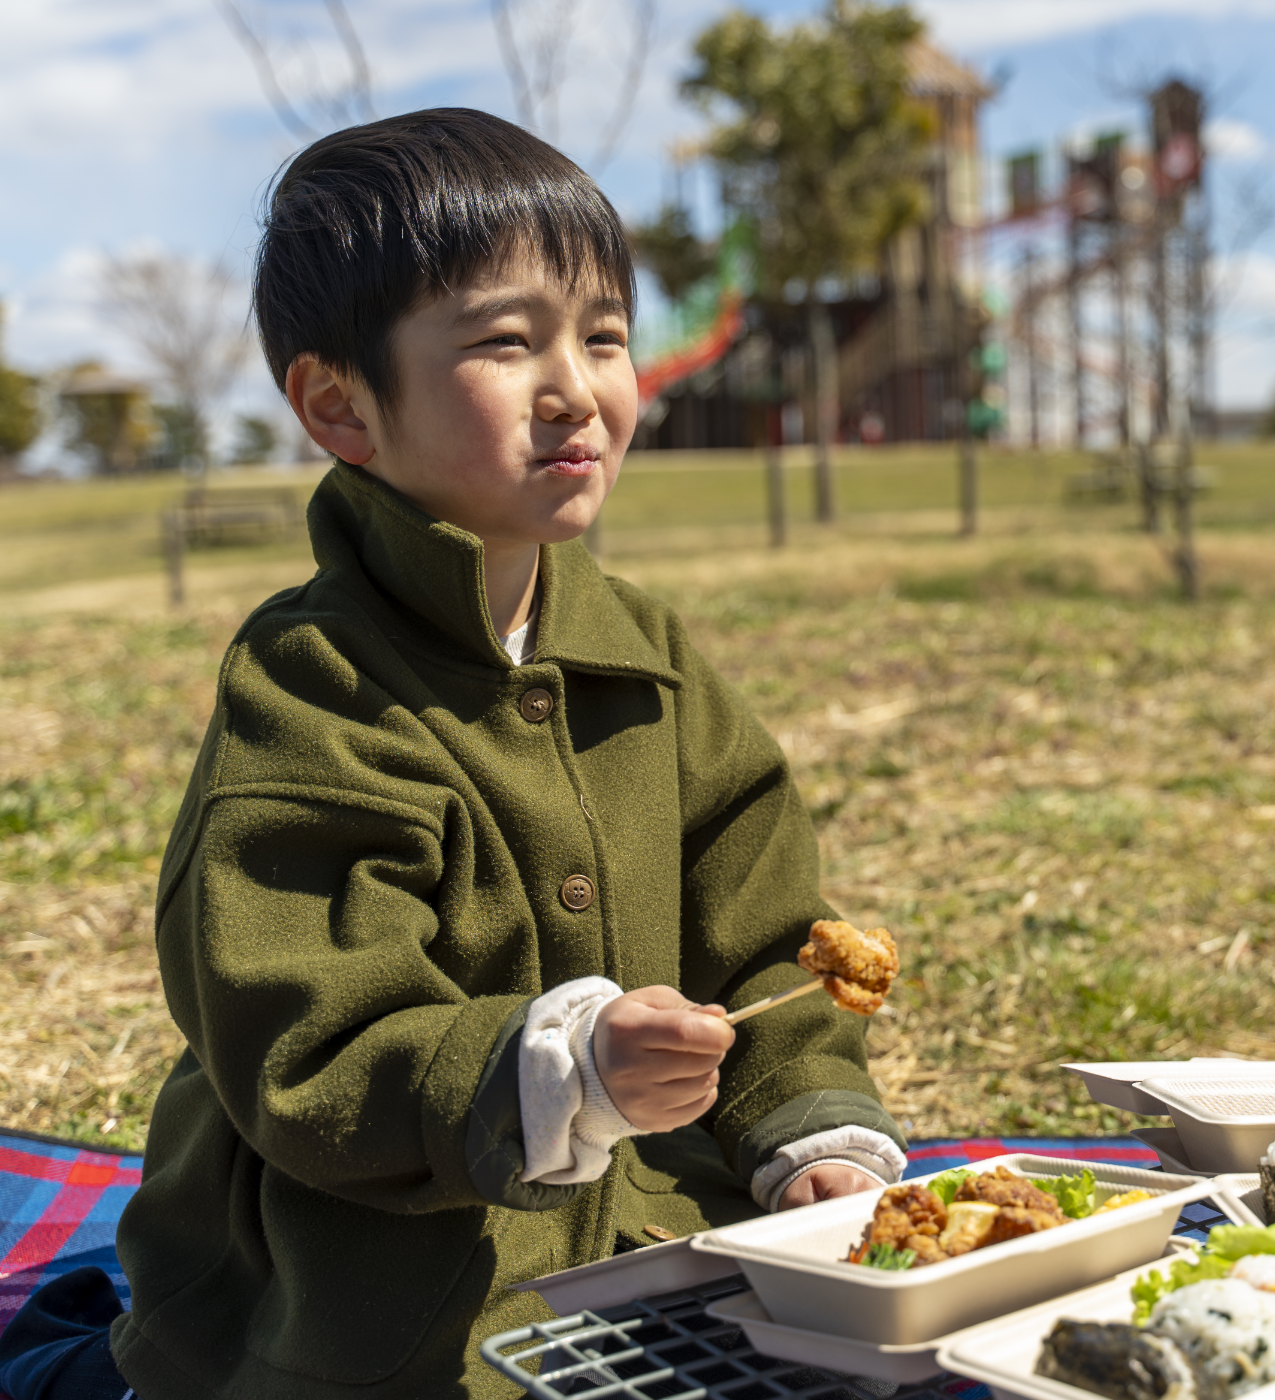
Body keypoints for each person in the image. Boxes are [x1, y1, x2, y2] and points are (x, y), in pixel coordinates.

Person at [0, 108, 905, 1400]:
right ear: (340, 406)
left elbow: (768, 939)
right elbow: (306, 1042)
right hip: (356, 1310)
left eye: (602, 335)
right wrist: (567, 1067)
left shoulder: (647, 661)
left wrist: (800, 1127)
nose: (576, 387)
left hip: (649, 1256)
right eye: (502, 341)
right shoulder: (313, 693)